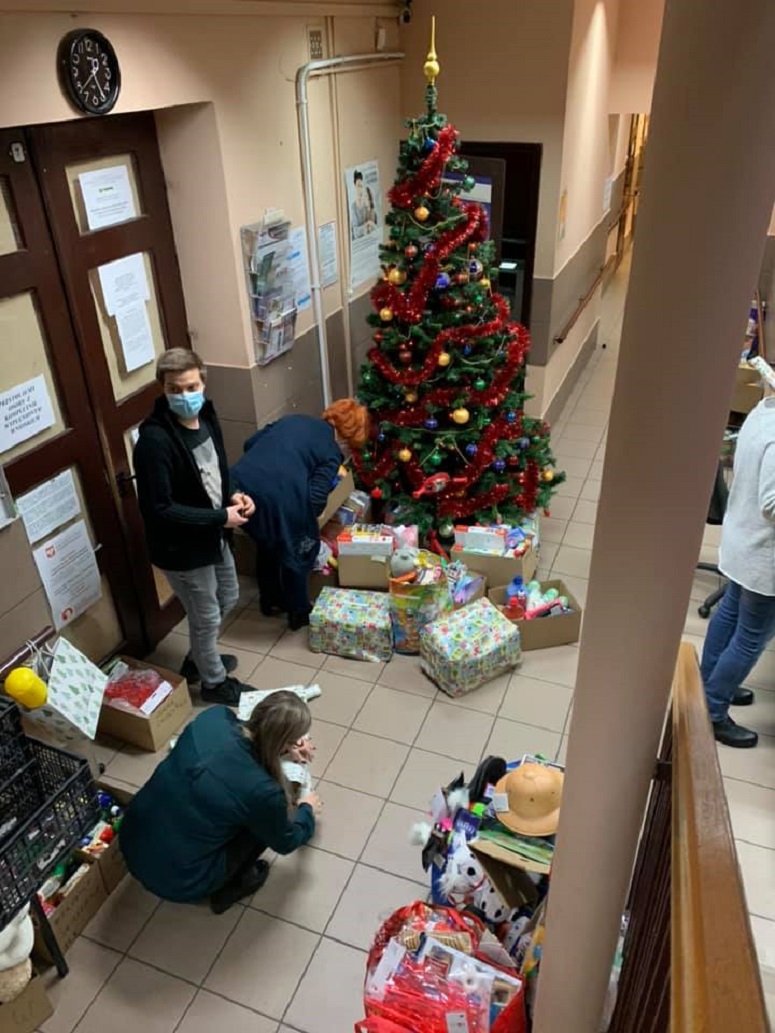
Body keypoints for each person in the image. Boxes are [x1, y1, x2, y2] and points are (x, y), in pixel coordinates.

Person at [119, 692, 323, 914]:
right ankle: (231, 888)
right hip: (181, 880)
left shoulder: (213, 718)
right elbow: (286, 841)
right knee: (262, 825)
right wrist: (306, 810)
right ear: (282, 742)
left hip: (130, 841)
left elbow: (234, 756)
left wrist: (283, 749)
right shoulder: (264, 792)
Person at [134, 348, 255, 705]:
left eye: (191, 386)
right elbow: (160, 509)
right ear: (163, 389)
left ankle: (197, 660)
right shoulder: (154, 442)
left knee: (228, 596)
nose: (185, 396)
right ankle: (214, 683)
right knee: (206, 615)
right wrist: (220, 518)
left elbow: (217, 469)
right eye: (175, 389)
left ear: (203, 380)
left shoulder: (207, 416)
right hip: (182, 549)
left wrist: (234, 495)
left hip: (212, 535)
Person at [231, 400, 369, 630]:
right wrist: (308, 519)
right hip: (275, 500)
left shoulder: (292, 419)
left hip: (237, 486)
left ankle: (270, 599)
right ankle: (299, 612)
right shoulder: (331, 451)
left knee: (267, 543)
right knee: (299, 548)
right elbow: (315, 499)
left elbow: (250, 443)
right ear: (346, 438)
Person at [700, 393, 775, 748]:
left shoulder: (764, 409)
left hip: (740, 541)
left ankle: (710, 683)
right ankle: (713, 711)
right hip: (764, 557)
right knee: (750, 638)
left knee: (730, 613)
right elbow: (772, 504)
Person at [350, 170, 378, 239]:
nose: (360, 189)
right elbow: (355, 233)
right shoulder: (353, 207)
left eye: (361, 186)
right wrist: (367, 225)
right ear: (355, 187)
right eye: (358, 186)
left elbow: (374, 225)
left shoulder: (367, 204)